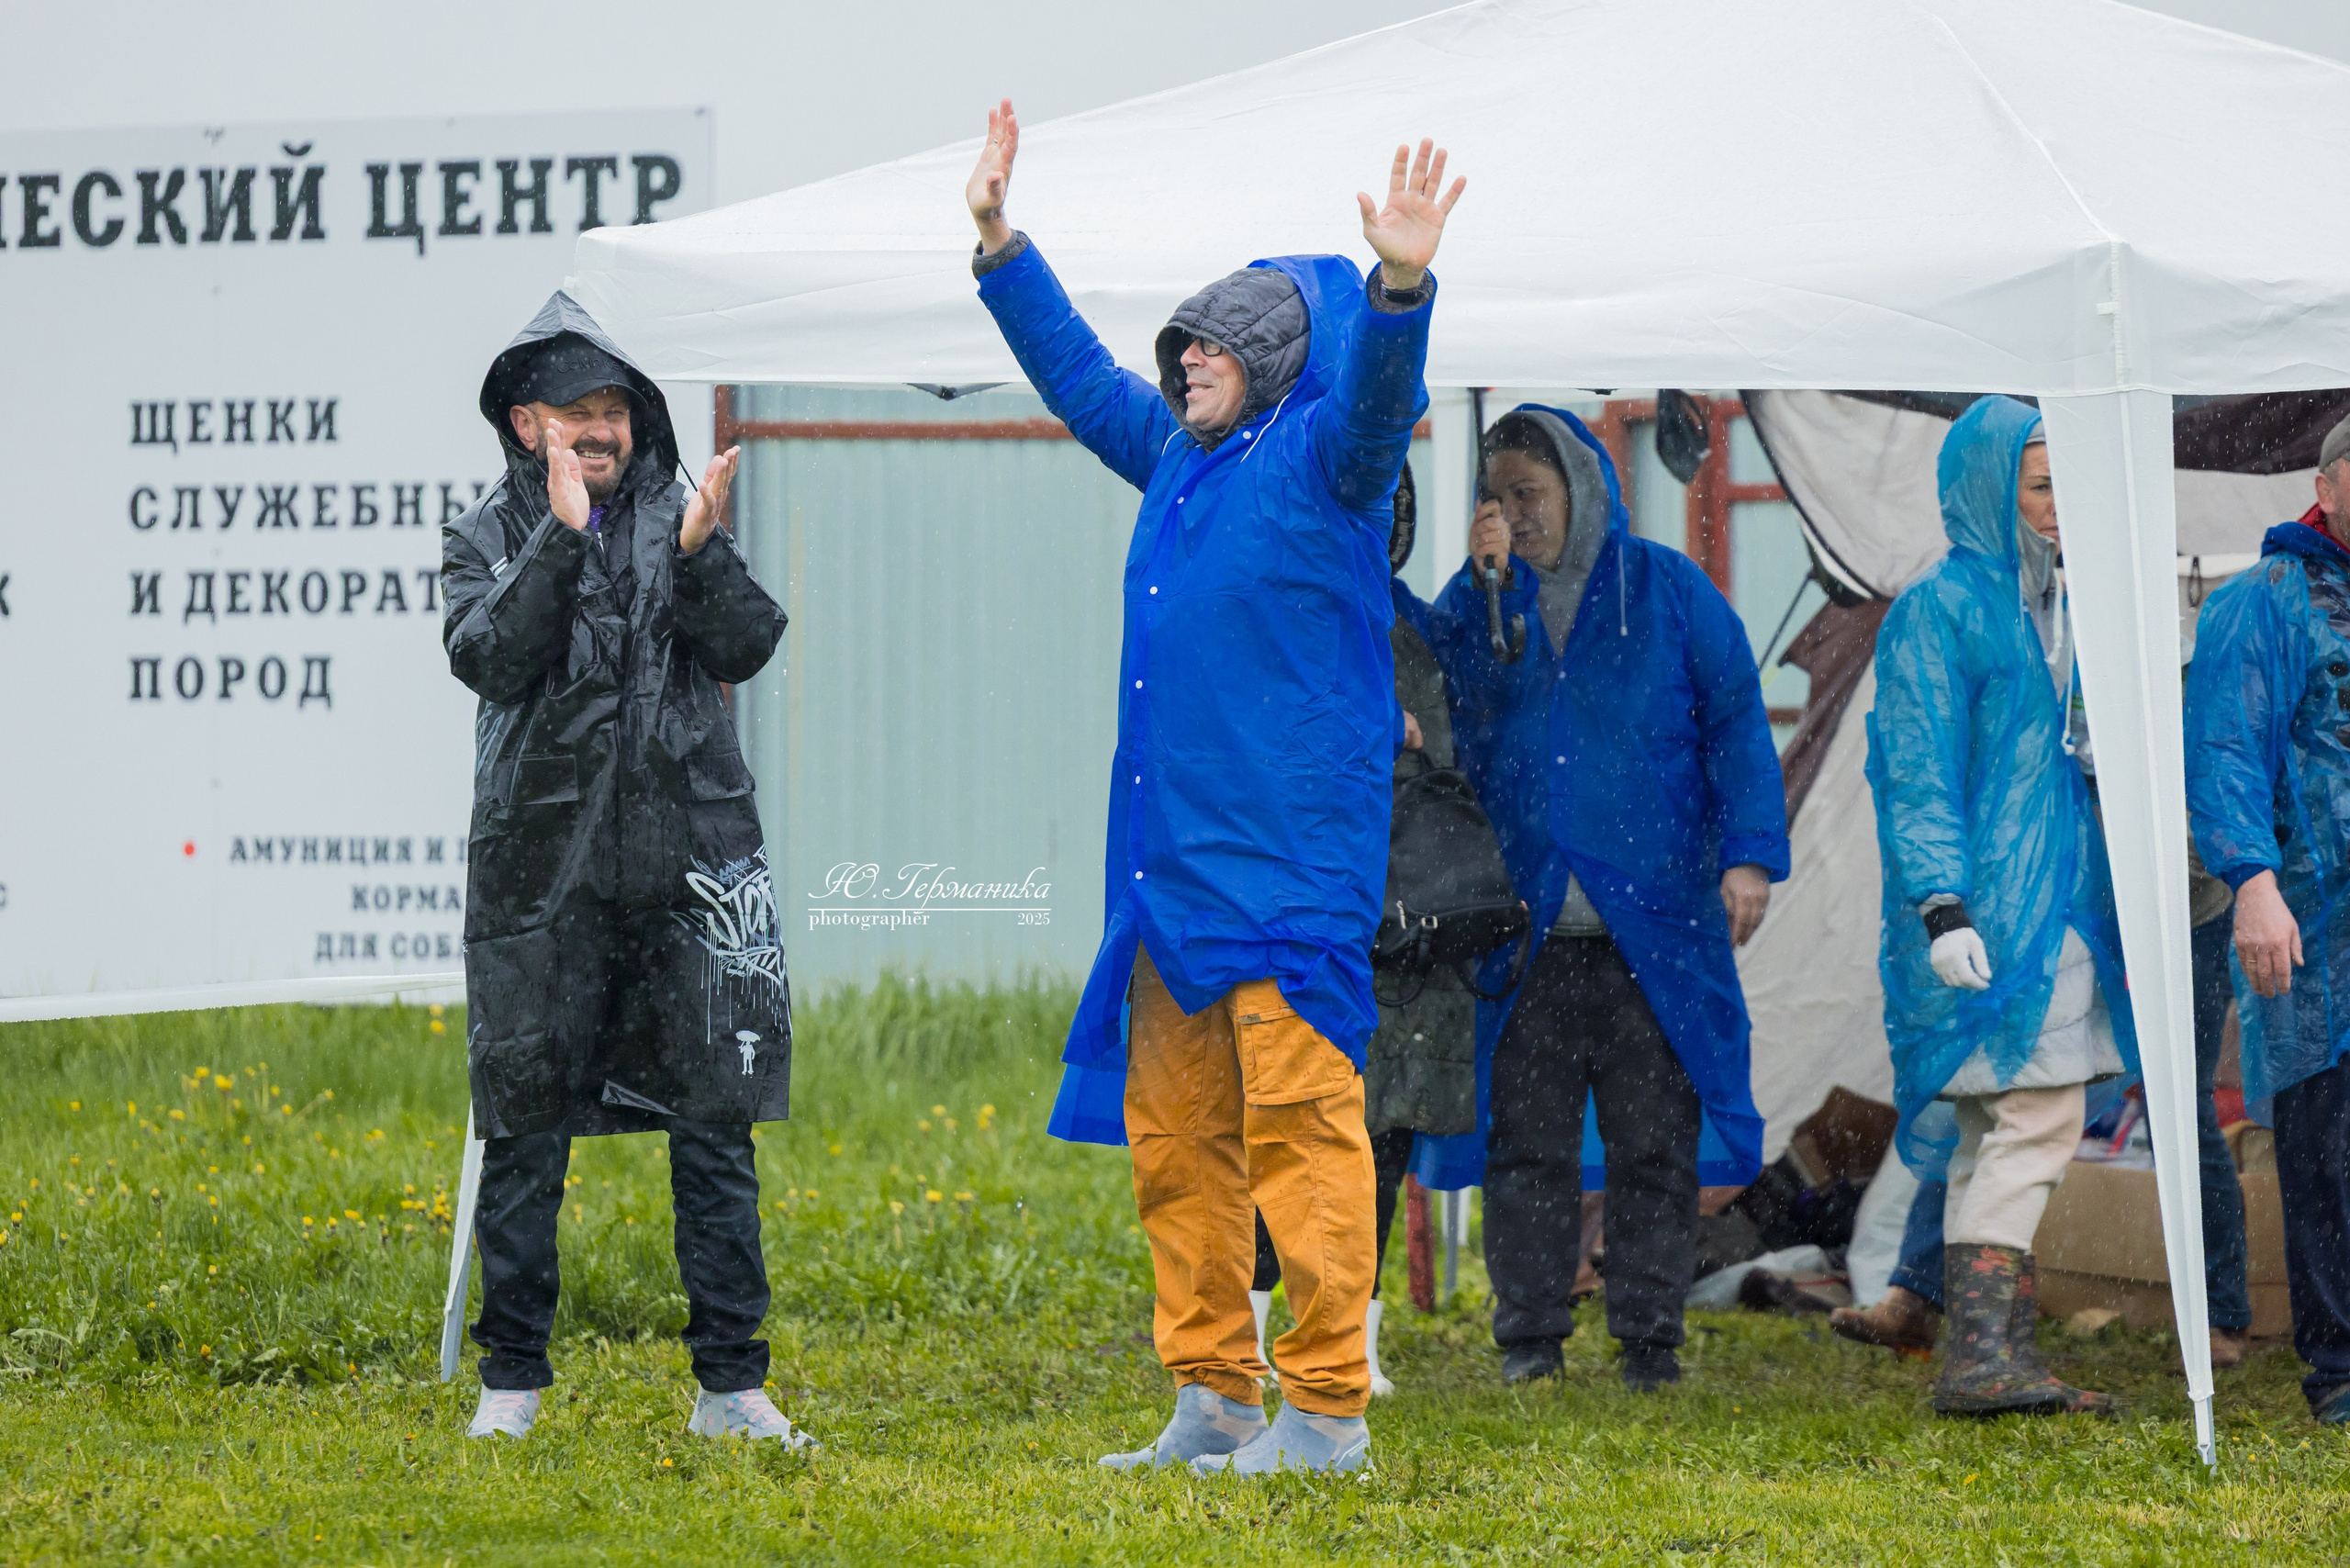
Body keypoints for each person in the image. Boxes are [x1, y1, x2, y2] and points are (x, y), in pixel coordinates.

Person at [962, 101, 1461, 1475]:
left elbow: (1370, 408)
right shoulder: (1180, 459)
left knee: (1303, 1130)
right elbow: (1077, 380)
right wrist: (1002, 246)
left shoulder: (1325, 466)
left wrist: (1400, 288)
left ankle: (1326, 1412)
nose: (1180, 365)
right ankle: (1214, 1398)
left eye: (1207, 350)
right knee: (1178, 1137)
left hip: (1291, 867)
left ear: (1270, 363)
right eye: (1177, 349)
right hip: (1171, 874)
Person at [442, 294, 807, 1447]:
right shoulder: (485, 536)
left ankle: (731, 1388)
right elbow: (488, 657)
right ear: (522, 421)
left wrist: (699, 557)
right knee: (525, 1128)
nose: (599, 431)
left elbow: (747, 642)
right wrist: (558, 536)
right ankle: (513, 1383)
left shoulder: (675, 517)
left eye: (614, 410)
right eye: (575, 411)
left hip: (688, 872)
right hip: (539, 882)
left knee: (714, 1128)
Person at [1417, 405, 1789, 1391]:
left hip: (1653, 929)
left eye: (1527, 494)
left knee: (1652, 1144)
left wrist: (1748, 855)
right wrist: (1480, 592)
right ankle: (1529, 1338)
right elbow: (1437, 693)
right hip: (1526, 933)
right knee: (1525, 1143)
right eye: (1494, 495)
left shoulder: (1667, 591)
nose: (1512, 513)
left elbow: (1736, 723)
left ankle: (1649, 1340)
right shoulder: (1480, 597)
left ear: (1579, 489)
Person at [1868, 395, 2133, 1417]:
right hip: (1984, 912)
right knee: (2037, 1110)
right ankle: (1984, 1355)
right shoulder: (1940, 610)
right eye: (2039, 485)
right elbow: (1915, 771)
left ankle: (1990, 1353)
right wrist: (1943, 905)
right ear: (1990, 488)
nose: (2060, 504)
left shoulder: (2053, 602)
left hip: (2051, 904)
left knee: (1996, 1124)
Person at [1832, 834, 2250, 1366]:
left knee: (2179, 1109)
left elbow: (2224, 790)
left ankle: (2221, 1317)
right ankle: (1925, 1299)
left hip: (2179, 902)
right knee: (1983, 1096)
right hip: (2063, 894)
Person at [1246, 464, 1480, 1399]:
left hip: (1408, 930)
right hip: (1313, 917)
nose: (1381, 527)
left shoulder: (1415, 624)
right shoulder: (1286, 618)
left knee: (1383, 1134)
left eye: (1393, 512)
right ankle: (1262, 1328)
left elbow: (1468, 736)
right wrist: (1387, 735)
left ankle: (1356, 1341)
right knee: (1285, 1121)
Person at [2187, 409, 2350, 1425]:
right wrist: (2251, 881)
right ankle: (2338, 1366)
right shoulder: (2263, 602)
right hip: (2315, 921)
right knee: (2326, 1141)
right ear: (2329, 485)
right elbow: (2227, 751)